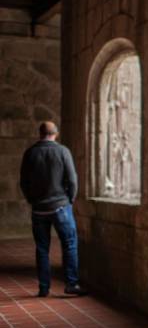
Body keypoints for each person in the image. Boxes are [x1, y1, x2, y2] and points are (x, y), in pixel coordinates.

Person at [20, 121, 87, 297]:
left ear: (40, 134)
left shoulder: (30, 153)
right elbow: (72, 179)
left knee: (42, 248)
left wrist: (32, 200)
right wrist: (69, 200)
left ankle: (43, 287)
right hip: (60, 207)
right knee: (70, 244)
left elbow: (23, 182)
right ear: (55, 134)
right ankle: (71, 284)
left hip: (39, 209)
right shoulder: (63, 151)